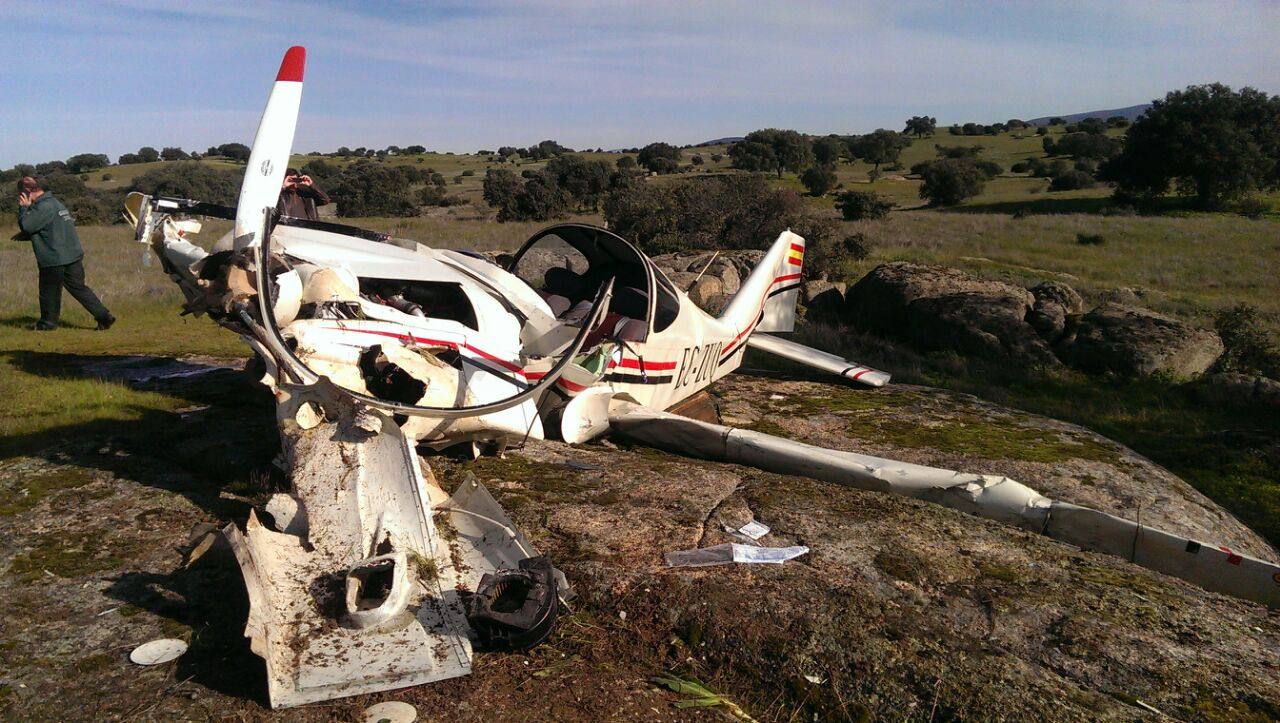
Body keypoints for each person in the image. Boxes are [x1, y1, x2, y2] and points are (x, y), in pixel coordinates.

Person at [14, 176, 114, 331]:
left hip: (54, 257)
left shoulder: (43, 206)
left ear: (27, 191)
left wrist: (23, 208)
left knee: (49, 292)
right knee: (79, 289)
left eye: (21, 193)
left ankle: (47, 324)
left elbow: (27, 226)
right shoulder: (56, 203)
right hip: (71, 255)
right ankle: (104, 317)